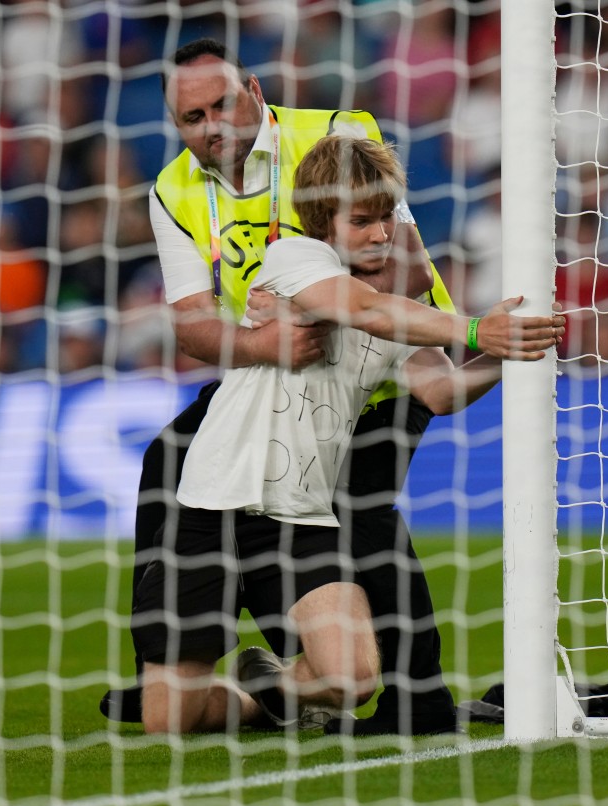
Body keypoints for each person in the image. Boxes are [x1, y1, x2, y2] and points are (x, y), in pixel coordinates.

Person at [99, 38, 471, 735]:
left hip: (386, 364)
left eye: (221, 105)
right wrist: (265, 339)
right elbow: (192, 328)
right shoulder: (173, 190)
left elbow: (413, 271)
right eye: (192, 116)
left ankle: (413, 698)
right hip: (272, 373)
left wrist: (317, 306)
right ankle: (177, 660)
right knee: (167, 460)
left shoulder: (336, 134)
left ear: (255, 93)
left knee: (355, 508)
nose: (211, 125)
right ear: (176, 124)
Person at [137, 133, 560, 734]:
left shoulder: (391, 305)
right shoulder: (292, 261)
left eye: (387, 218)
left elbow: (439, 392)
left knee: (353, 680)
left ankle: (270, 690)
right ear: (321, 222)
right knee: (169, 725)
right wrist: (471, 330)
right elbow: (360, 309)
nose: (381, 233)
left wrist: (509, 350)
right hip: (212, 502)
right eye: (361, 221)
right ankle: (260, 698)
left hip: (302, 517)